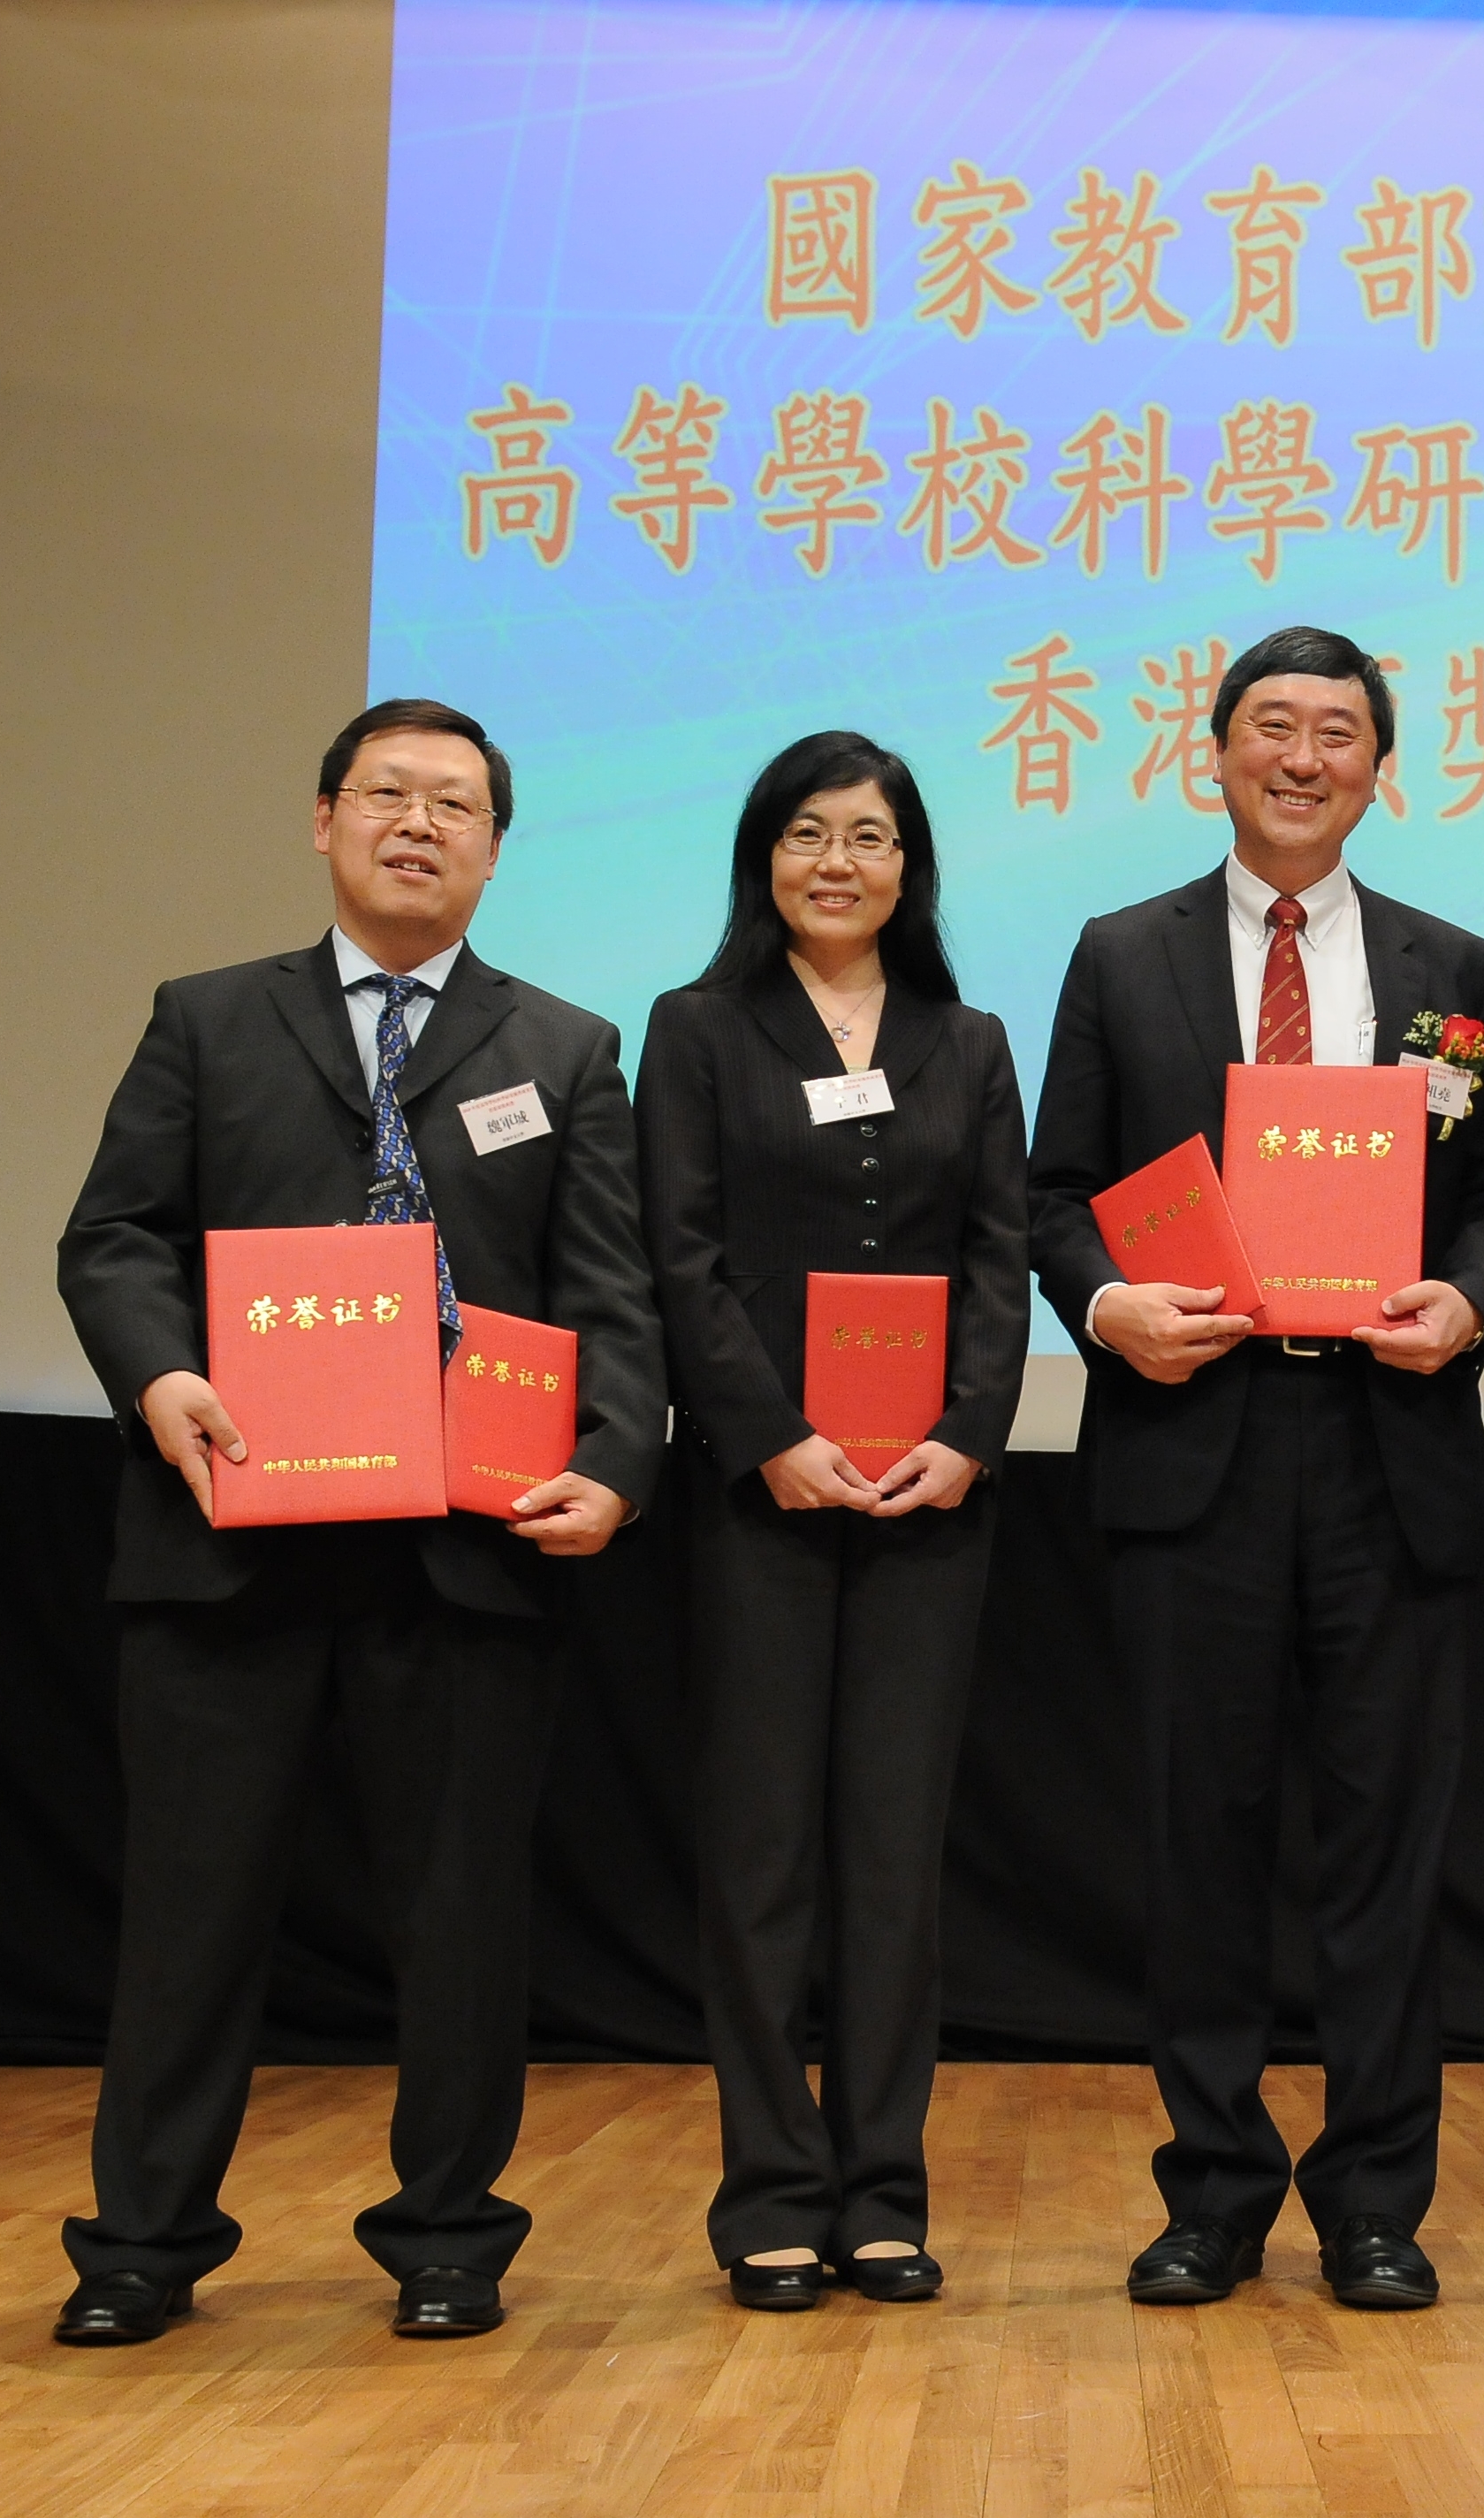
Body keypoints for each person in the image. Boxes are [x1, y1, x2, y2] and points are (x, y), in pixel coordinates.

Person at [50, 697, 666, 2346]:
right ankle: (140, 2250)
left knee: (461, 1921)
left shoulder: (564, 1048)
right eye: (387, 794)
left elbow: (613, 1290)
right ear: (322, 821)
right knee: (191, 1917)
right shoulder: (209, 1018)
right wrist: (158, 1377)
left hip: (462, 1551)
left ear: (493, 847)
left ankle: (452, 2237)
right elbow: (112, 1239)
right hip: (226, 1532)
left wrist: (612, 1462)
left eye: (455, 804)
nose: (419, 823)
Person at [1025, 625, 1484, 2311]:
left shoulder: (1462, 963)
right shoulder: (1122, 953)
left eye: (1338, 733)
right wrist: (1105, 1302)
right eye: (1271, 728)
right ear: (1214, 751)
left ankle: (1378, 2201)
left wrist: (1471, 1298)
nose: (1302, 757)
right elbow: (1052, 1189)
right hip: (1198, 1444)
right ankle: (1216, 2192)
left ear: (1384, 768)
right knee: (1201, 1842)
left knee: (1391, 1853)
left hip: (1392, 1451)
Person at [635, 733, 1029, 2313]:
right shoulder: (697, 1029)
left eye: (869, 837)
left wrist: (966, 1439)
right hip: (762, 1500)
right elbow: (681, 1256)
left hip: (931, 1502)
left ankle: (884, 2195)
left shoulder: (971, 1037)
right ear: (764, 859)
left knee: (891, 1860)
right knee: (763, 1856)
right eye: (807, 835)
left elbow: (1000, 1265)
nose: (837, 863)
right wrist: (772, 1435)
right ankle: (771, 2196)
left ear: (910, 866)